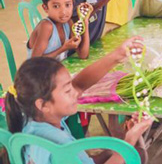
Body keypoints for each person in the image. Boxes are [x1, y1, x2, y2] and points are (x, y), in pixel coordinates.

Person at [5, 37, 154, 164]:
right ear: (43, 104)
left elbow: (79, 84)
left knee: (114, 152)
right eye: (67, 90)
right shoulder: (60, 144)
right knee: (134, 152)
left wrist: (117, 55)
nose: (75, 93)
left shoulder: (32, 116)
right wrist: (129, 140)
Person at [27, 0, 92, 61]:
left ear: (73, 3)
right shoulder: (46, 26)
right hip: (38, 73)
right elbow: (34, 62)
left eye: (67, 5)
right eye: (56, 6)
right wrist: (63, 48)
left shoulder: (68, 23)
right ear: (45, 8)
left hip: (56, 71)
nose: (63, 12)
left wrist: (85, 21)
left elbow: (83, 54)